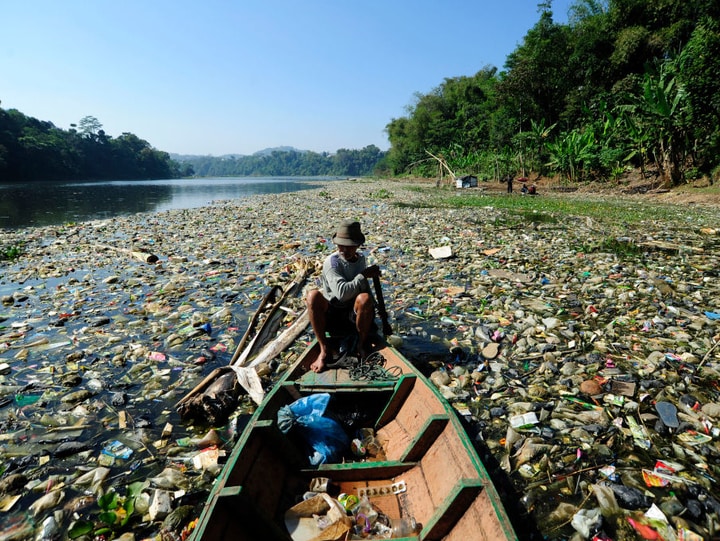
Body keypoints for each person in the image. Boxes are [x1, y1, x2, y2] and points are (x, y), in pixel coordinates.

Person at [306, 220, 380, 372]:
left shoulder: (360, 260)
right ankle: (324, 349)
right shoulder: (332, 263)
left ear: (358, 245)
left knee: (365, 299)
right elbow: (342, 295)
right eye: (341, 246)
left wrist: (372, 308)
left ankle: (360, 345)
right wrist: (363, 275)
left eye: (350, 246)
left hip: (351, 314)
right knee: (312, 296)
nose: (345, 250)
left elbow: (363, 289)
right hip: (333, 312)